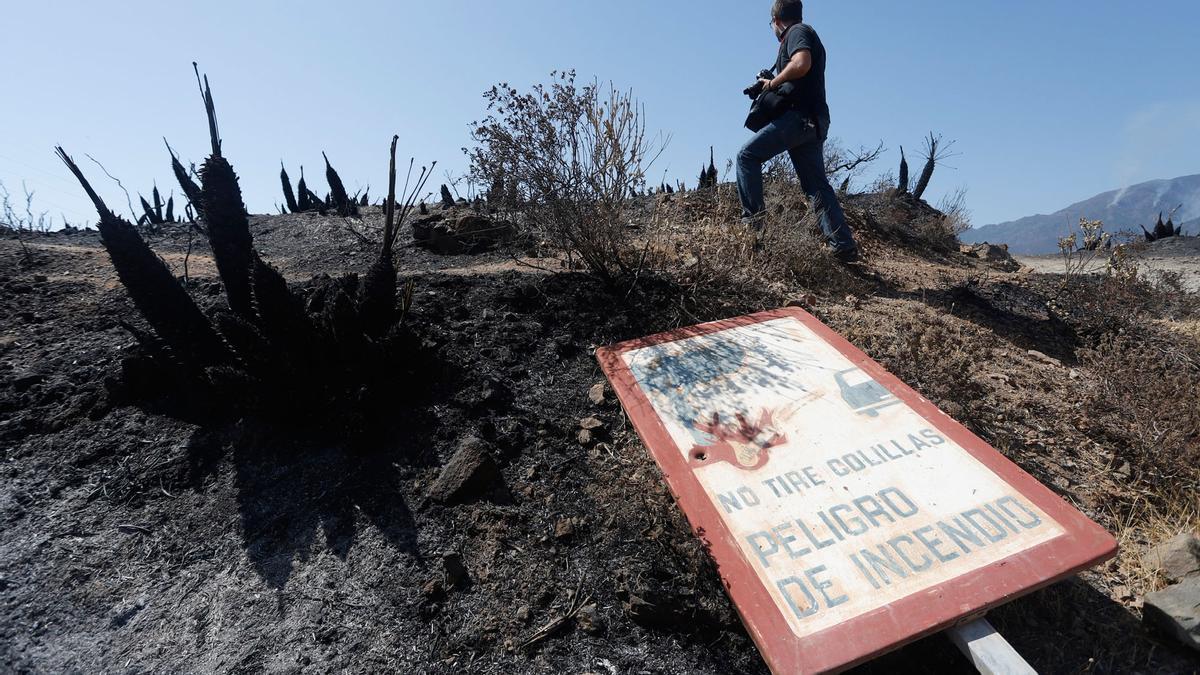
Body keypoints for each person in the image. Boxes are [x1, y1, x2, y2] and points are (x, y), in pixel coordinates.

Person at [737, 0, 860, 263]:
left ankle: (753, 232)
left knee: (746, 156)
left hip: (799, 118)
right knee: (815, 185)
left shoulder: (797, 31)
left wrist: (772, 83)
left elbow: (802, 63)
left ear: (776, 20)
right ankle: (843, 245)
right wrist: (770, 84)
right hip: (813, 122)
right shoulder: (804, 33)